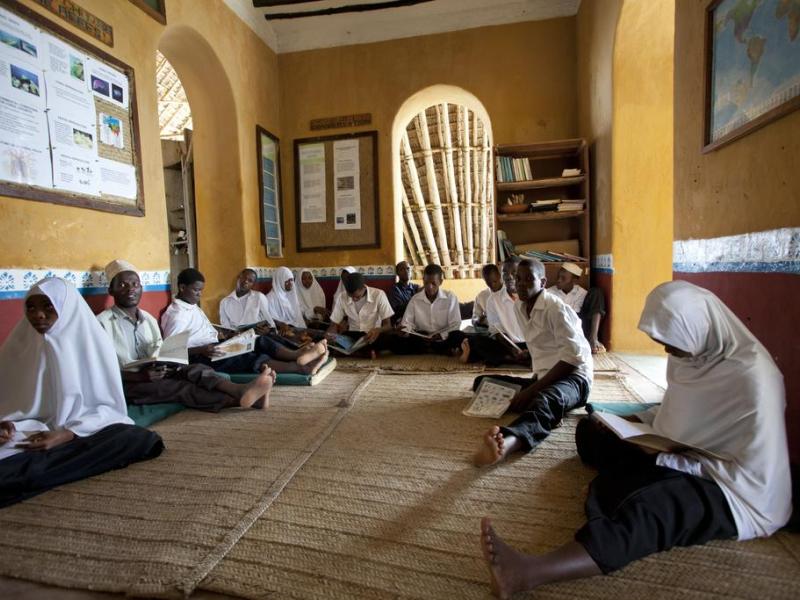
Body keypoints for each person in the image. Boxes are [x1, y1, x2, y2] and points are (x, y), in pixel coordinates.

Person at [478, 281, 791, 599]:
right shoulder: (693, 356)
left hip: (733, 488)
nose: (668, 351)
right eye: (663, 343)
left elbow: (750, 466)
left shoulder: (754, 381)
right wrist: (633, 425)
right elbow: (675, 412)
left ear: (698, 329)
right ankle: (626, 479)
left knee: (653, 510)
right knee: (590, 432)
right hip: (678, 450)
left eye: (672, 344)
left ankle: (528, 572)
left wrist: (661, 447)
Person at [0, 278, 164, 508]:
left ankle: (22, 474)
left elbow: (109, 408)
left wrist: (66, 433)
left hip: (80, 431)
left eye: (49, 307)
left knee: (134, 437)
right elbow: (7, 402)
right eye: (31, 307)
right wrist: (5, 423)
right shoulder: (18, 347)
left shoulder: (93, 344)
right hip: (27, 434)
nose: (38, 315)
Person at [98, 261, 275, 412]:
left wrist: (166, 363)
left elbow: (159, 351)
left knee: (195, 369)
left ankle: (239, 390)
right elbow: (98, 370)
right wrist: (140, 377)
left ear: (141, 288)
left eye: (135, 284)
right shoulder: (101, 324)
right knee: (181, 388)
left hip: (154, 373)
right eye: (122, 285)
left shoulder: (148, 319)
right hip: (127, 383)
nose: (130, 289)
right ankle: (240, 400)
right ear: (111, 290)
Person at [473, 258, 592, 466]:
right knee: (482, 382)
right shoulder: (520, 306)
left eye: (529, 279)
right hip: (544, 375)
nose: (521, 284)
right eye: (518, 278)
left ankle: (509, 442)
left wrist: (532, 390)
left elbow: (572, 360)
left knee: (545, 399)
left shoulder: (556, 309)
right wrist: (528, 355)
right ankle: (547, 408)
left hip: (574, 378)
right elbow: (544, 346)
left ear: (543, 282)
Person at [161, 268, 328, 375]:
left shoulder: (190, 306)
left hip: (215, 345)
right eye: (196, 290)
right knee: (248, 357)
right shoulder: (176, 314)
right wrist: (202, 349)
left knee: (255, 339)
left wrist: (220, 333)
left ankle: (297, 355)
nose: (200, 295)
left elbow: (200, 329)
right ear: (182, 288)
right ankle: (300, 367)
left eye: (201, 290)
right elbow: (171, 353)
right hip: (202, 356)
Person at [459, 261, 527, 366]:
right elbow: (496, 330)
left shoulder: (531, 296)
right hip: (509, 344)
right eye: (505, 273)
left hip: (532, 344)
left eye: (514, 272)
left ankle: (509, 359)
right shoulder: (491, 299)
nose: (509, 277)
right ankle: (515, 358)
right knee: (476, 341)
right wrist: (511, 348)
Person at [396, 264, 465, 355]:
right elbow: (407, 323)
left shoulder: (450, 298)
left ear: (440, 282)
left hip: (442, 339)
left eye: (433, 283)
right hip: (421, 338)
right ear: (423, 280)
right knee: (395, 341)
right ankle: (437, 350)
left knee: (458, 336)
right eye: (426, 283)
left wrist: (440, 336)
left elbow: (456, 324)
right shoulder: (415, 299)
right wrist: (404, 330)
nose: (429, 287)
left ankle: (432, 349)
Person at [326, 272, 394, 352]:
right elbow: (334, 324)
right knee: (325, 342)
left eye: (357, 297)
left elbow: (388, 325)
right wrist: (330, 334)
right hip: (353, 336)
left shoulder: (379, 295)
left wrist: (377, 330)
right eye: (351, 296)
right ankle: (366, 352)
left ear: (363, 288)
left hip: (372, 336)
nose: (354, 299)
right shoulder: (342, 297)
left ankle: (361, 352)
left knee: (391, 340)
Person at [548, 263, 606, 353]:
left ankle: (593, 339)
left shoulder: (582, 293)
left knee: (597, 292)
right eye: (558, 277)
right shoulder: (549, 292)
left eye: (563, 278)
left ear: (574, 280)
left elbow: (590, 311)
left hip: (579, 328)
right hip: (559, 329)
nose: (558, 280)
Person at [219, 268, 274, 333]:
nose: (246, 281)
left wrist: (268, 330)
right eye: (244, 278)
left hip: (257, 336)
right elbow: (226, 328)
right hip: (236, 339)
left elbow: (270, 323)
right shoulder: (225, 302)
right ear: (238, 277)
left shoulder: (259, 297)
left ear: (253, 285)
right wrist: (231, 334)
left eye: (250, 281)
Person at [264, 267, 307, 332]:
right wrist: (283, 324)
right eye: (287, 281)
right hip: (282, 331)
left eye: (291, 280)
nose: (290, 283)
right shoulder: (270, 298)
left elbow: (297, 314)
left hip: (295, 327)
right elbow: (270, 319)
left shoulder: (291, 295)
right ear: (279, 280)